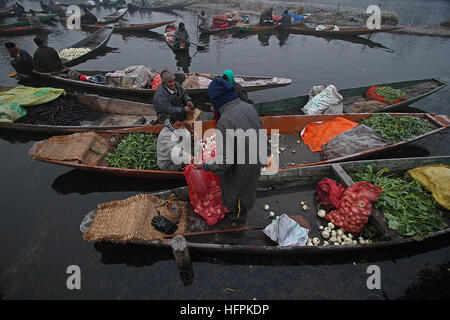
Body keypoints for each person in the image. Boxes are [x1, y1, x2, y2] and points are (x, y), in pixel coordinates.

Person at [195, 78, 267, 222]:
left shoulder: (226, 120)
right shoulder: (248, 107)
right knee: (247, 185)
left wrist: (204, 165)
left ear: (217, 100)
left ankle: (238, 216)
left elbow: (225, 162)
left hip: (244, 163)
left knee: (238, 191)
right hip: (257, 154)